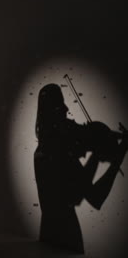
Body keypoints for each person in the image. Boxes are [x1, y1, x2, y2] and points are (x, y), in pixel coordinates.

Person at [34, 84, 128, 253]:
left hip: (48, 237)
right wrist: (119, 154)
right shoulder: (59, 154)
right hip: (67, 241)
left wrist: (96, 155)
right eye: (60, 105)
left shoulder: (41, 152)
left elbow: (75, 192)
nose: (66, 109)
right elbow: (96, 197)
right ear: (52, 114)